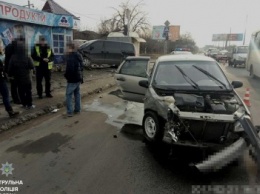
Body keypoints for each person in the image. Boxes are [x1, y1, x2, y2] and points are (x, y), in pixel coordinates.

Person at [8, 37, 35, 109]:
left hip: (18, 78)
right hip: (27, 77)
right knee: (28, 91)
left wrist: (10, 75)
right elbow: (32, 66)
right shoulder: (27, 56)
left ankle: (24, 104)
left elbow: (10, 68)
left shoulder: (13, 57)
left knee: (21, 91)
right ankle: (29, 105)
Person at [64, 43, 83, 117]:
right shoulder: (78, 55)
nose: (66, 50)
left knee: (68, 95)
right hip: (78, 77)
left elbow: (70, 69)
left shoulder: (71, 57)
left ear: (70, 48)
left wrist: (66, 76)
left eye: (67, 48)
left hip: (72, 79)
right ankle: (77, 110)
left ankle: (70, 112)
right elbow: (81, 67)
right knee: (77, 94)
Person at [4, 39, 21, 104]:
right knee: (18, 85)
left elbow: (6, 59)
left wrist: (7, 71)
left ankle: (15, 99)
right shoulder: (15, 48)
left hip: (10, 69)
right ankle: (18, 99)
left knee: (13, 85)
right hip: (16, 69)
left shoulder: (8, 47)